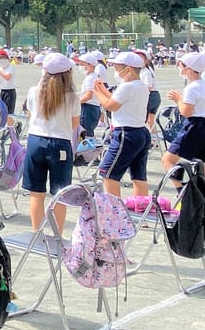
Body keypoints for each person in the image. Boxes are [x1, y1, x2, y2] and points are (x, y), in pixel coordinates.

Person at [21, 53, 80, 233]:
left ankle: (36, 234)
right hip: (59, 143)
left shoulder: (34, 91)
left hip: (35, 141)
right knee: (60, 195)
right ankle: (57, 236)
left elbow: (30, 115)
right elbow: (75, 124)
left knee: (36, 194)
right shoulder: (72, 96)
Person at [94, 51, 151, 199]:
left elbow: (111, 105)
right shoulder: (141, 86)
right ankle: (141, 210)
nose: (116, 71)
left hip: (126, 133)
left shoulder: (127, 87)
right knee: (138, 175)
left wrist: (96, 92)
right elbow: (116, 100)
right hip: (141, 132)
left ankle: (115, 213)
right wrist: (103, 90)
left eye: (118, 68)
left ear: (128, 69)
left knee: (108, 173)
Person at [164, 51, 205, 175]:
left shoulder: (192, 87)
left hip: (194, 125)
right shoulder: (202, 84)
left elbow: (186, 112)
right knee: (202, 162)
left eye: (181, 65)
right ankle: (200, 190)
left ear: (189, 69)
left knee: (168, 160)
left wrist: (178, 100)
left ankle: (183, 191)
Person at [76, 51, 105, 140]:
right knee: (87, 133)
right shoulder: (92, 77)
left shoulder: (91, 78)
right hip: (92, 108)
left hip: (88, 108)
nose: (80, 66)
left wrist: (76, 102)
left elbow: (88, 95)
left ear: (90, 65)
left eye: (82, 64)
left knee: (85, 134)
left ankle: (87, 152)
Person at [0, 49, 18, 114]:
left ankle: (10, 124)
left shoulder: (10, 67)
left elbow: (7, 77)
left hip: (10, 92)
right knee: (2, 112)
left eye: (3, 58)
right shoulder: (0, 69)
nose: (1, 60)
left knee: (9, 113)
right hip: (2, 91)